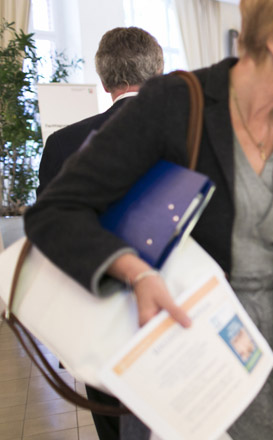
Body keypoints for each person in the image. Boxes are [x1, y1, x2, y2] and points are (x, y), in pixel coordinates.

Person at [24, 0, 273, 438]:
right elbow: (56, 211)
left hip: (268, 369)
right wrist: (134, 271)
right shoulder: (176, 105)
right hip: (181, 360)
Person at [34, 26, 164, 440]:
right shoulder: (188, 133)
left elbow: (48, 242)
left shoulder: (61, 145)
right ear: (158, 71)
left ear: (104, 79)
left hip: (97, 323)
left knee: (116, 428)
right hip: (176, 311)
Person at [37, 27, 164, 195]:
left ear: (105, 83)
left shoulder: (62, 143)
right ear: (159, 74)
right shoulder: (193, 130)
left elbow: (47, 219)